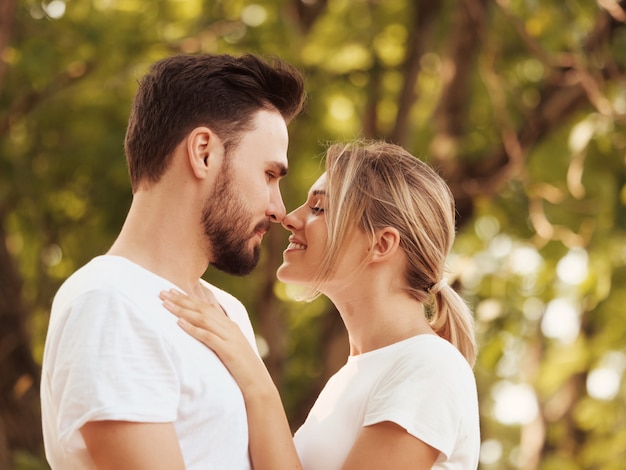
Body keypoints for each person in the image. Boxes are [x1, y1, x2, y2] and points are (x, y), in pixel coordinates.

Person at [40, 53, 306, 469]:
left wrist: (261, 390)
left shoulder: (227, 313)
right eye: (269, 175)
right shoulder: (110, 303)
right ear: (203, 153)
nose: (279, 209)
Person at [160, 141, 481, 470]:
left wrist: (257, 384)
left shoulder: (430, 366)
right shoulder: (352, 376)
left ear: (381, 244)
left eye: (319, 209)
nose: (289, 217)